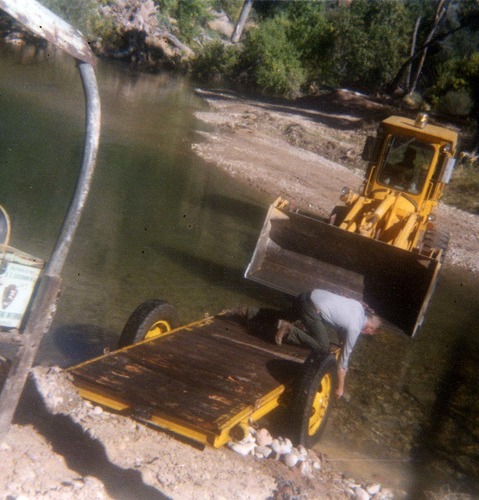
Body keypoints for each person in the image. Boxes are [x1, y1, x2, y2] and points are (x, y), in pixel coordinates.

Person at [275, 289, 382, 399]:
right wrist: (340, 387)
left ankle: (297, 323)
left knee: (320, 330)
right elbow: (344, 360)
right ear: (371, 327)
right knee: (323, 347)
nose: (367, 334)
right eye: (370, 333)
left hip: (307, 294)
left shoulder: (359, 307)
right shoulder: (355, 328)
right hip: (309, 308)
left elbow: (341, 318)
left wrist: (343, 340)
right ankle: (289, 330)